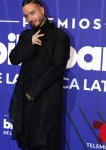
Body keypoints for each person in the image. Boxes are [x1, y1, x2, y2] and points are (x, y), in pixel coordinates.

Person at [9, 0, 70, 149]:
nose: (30, 18)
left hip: (46, 99)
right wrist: (29, 43)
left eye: (32, 13)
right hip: (24, 99)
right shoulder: (25, 36)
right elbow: (14, 58)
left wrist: (33, 91)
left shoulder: (59, 36)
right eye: (26, 16)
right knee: (25, 141)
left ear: (42, 10)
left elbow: (57, 68)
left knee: (45, 141)